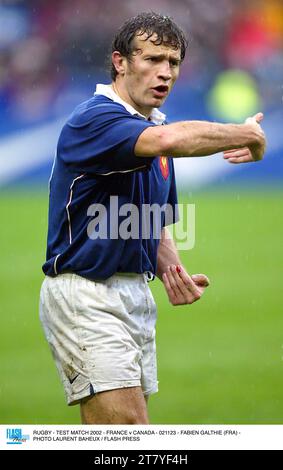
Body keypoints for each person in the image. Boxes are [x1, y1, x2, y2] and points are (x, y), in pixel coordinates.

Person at [39, 12, 266, 425]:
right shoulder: (97, 118)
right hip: (87, 295)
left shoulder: (150, 131)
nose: (165, 73)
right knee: (129, 433)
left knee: (122, 436)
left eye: (173, 63)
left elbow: (152, 218)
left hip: (134, 297)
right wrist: (244, 133)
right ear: (120, 62)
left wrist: (172, 269)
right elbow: (169, 139)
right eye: (153, 59)